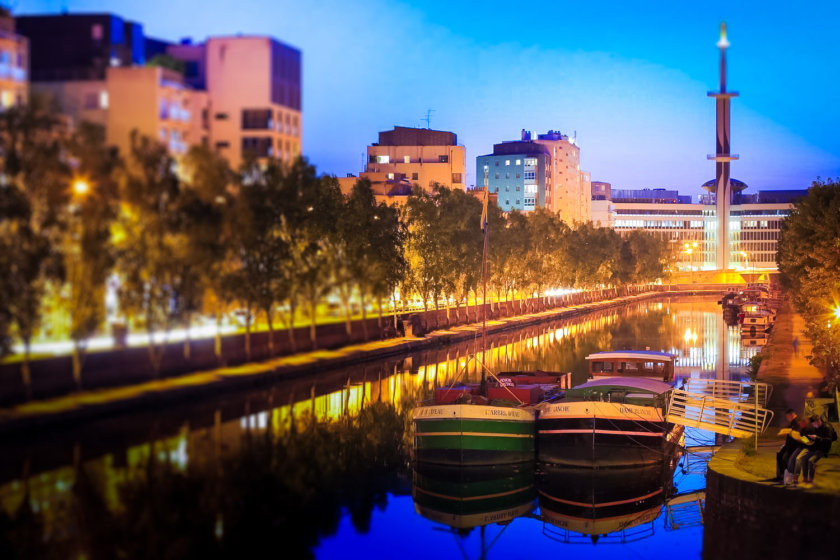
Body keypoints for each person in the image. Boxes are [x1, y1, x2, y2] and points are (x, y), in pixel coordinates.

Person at [795, 415, 837, 484]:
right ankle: (805, 478)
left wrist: (817, 438)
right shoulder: (817, 428)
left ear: (818, 421)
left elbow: (829, 440)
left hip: (823, 449)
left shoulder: (827, 427)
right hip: (816, 448)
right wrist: (808, 439)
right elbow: (815, 437)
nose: (814, 426)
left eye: (814, 424)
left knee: (810, 461)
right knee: (803, 459)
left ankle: (810, 480)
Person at [773, 409, 802, 482]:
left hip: (794, 446)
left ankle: (786, 477)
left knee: (785, 459)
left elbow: (796, 434)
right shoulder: (793, 422)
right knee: (780, 456)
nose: (787, 418)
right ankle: (782, 475)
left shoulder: (797, 422)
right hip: (789, 445)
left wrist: (788, 432)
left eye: (787, 417)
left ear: (791, 415)